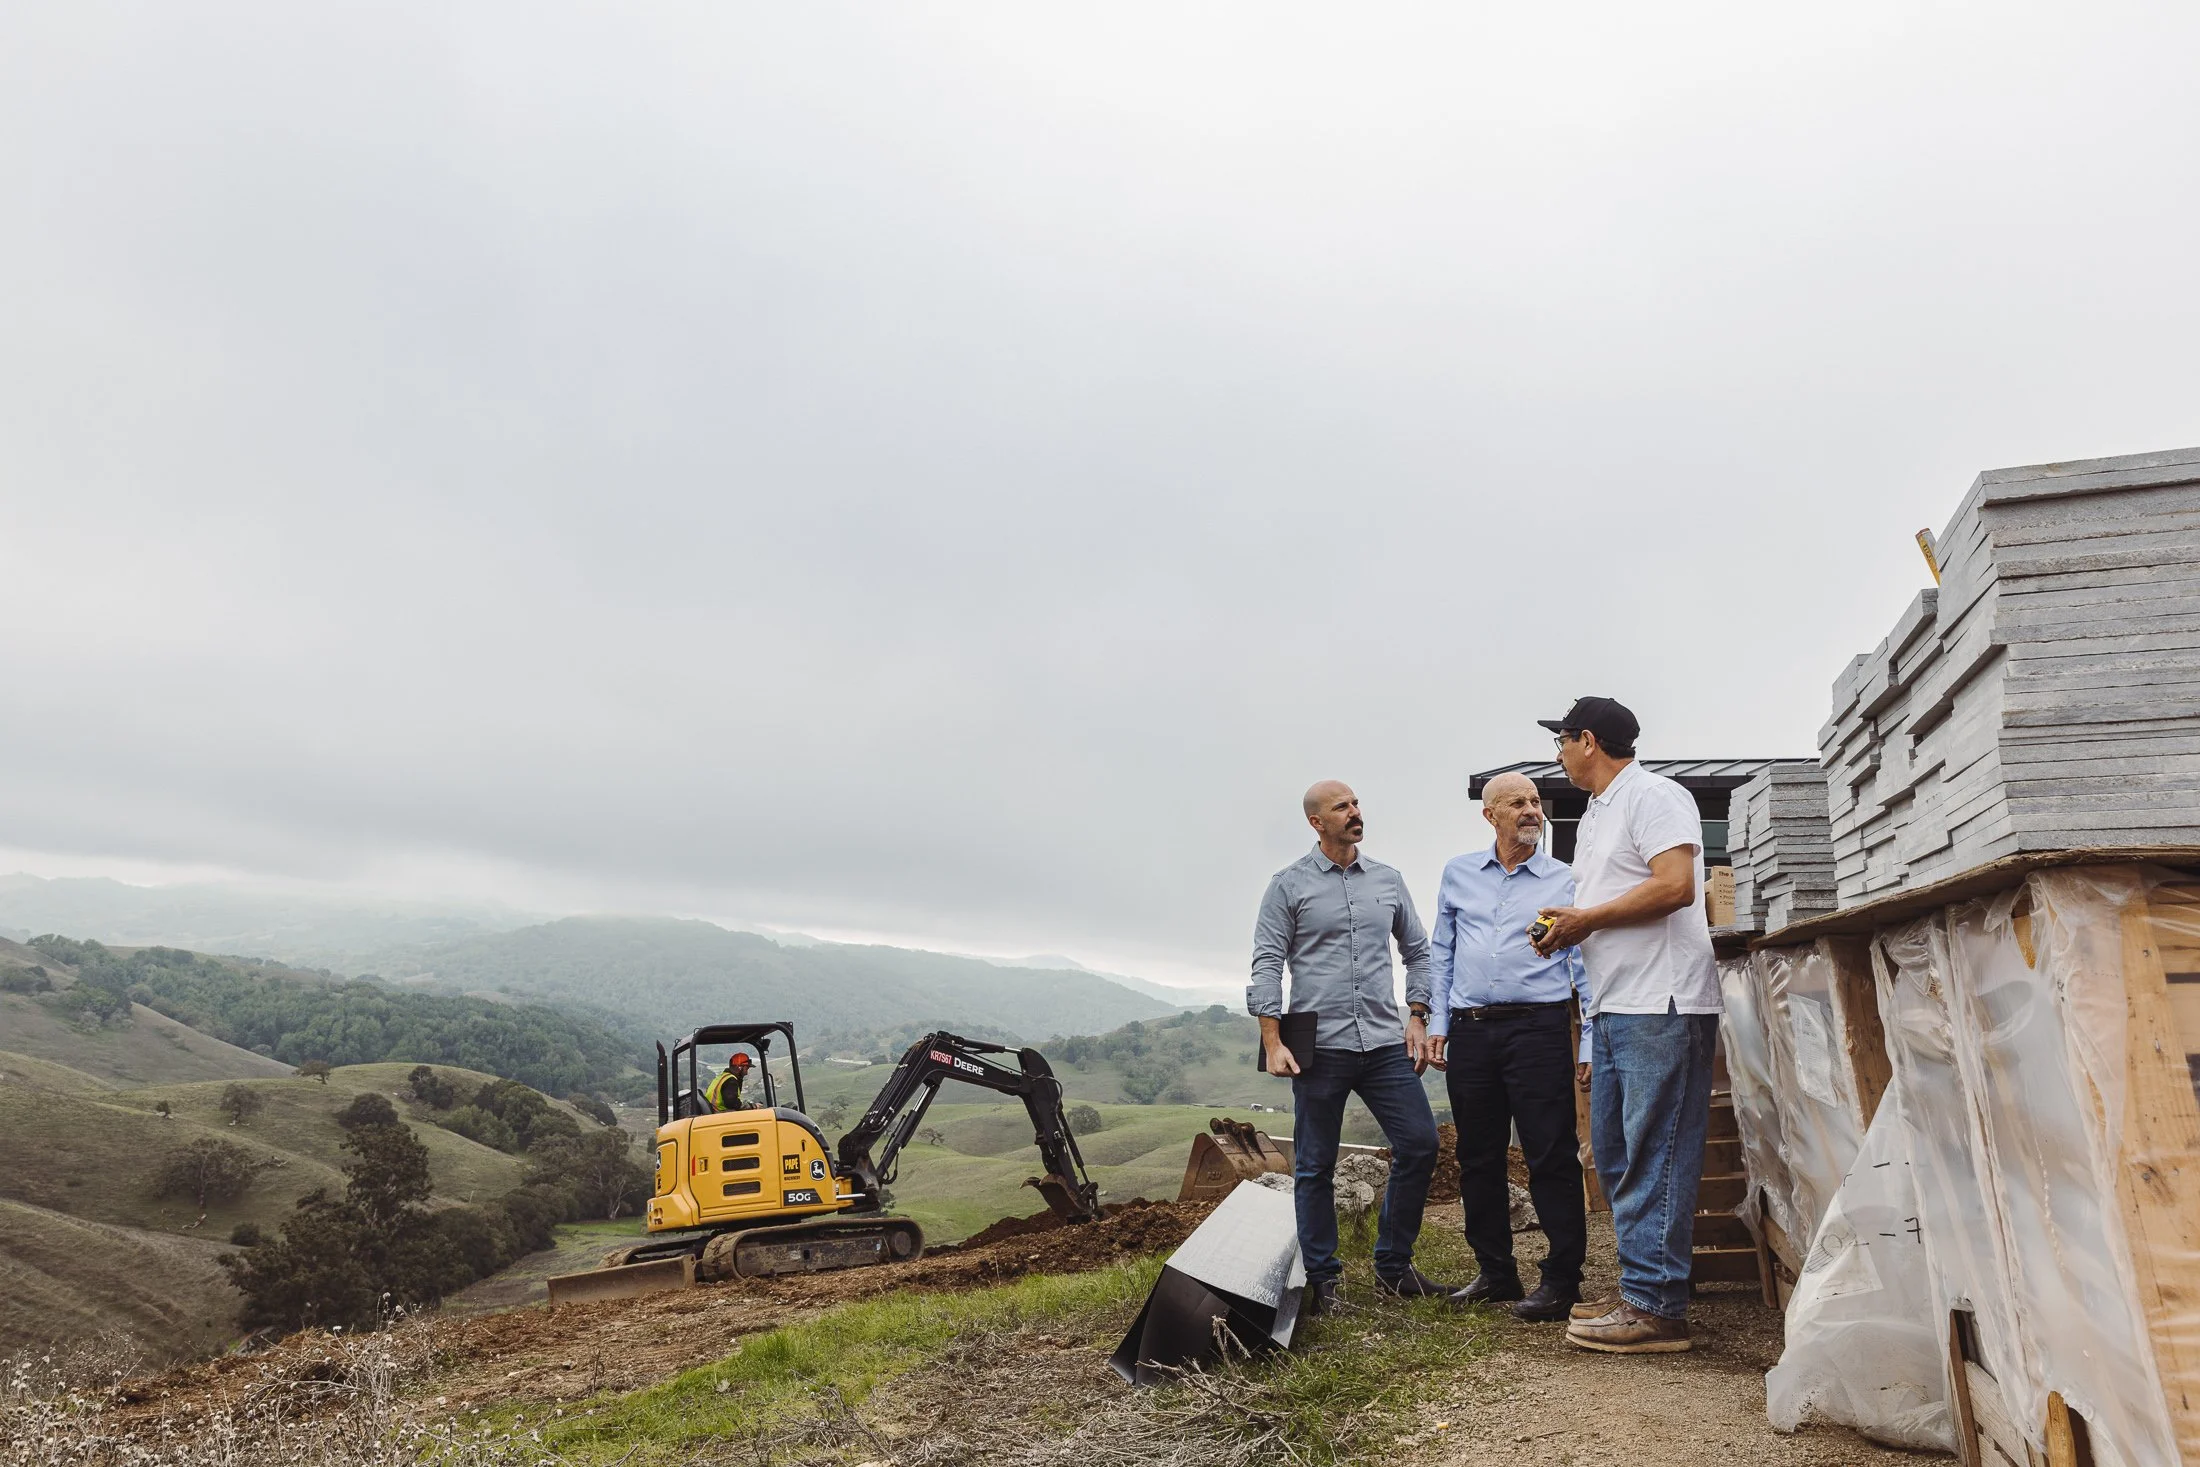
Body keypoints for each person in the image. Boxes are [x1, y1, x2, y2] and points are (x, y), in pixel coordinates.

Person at [1530, 697, 1721, 1354]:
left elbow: (1676, 886)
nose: (1558, 752)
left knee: (1653, 1153)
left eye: (1561, 739)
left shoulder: (1654, 796)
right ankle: (1642, 1287)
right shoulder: (1596, 814)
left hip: (1661, 1001)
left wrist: (1587, 919)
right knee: (1613, 1154)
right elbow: (1612, 900)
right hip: (1617, 1004)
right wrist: (1569, 925)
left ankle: (1657, 1306)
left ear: (1587, 740)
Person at [1249, 779, 1447, 1313]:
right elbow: (1267, 962)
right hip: (1320, 1048)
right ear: (1317, 822)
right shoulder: (1287, 885)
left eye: (1356, 803)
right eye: (1342, 807)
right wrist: (1272, 1040)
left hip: (1384, 1042)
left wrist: (1418, 1016)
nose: (1356, 812)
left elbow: (1418, 952)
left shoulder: (1388, 880)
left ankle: (1393, 1267)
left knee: (1420, 1144)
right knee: (1315, 1165)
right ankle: (1324, 1280)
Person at [1427, 770, 1594, 1322]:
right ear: (1490, 815)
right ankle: (1496, 1272)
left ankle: (1562, 1280)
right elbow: (1443, 951)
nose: (1531, 811)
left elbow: (1583, 964)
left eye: (1536, 801)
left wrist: (1589, 1040)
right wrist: (1439, 1023)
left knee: (1550, 1153)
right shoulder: (1458, 874)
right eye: (1517, 802)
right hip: (1471, 1030)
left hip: (1538, 1030)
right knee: (1477, 1156)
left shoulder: (1565, 880)